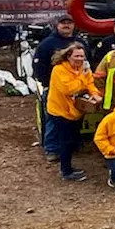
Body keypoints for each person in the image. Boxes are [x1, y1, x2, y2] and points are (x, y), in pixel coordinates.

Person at [34, 13, 87, 163]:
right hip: (56, 91)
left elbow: (88, 66)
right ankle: (51, 149)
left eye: (69, 23)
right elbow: (38, 67)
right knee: (54, 121)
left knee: (75, 120)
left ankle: (73, 146)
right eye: (63, 23)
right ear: (57, 25)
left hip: (78, 90)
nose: (66, 25)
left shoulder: (81, 42)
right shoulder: (47, 44)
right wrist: (48, 85)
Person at [45, 43, 101, 181]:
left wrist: (95, 94)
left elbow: (90, 83)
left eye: (82, 56)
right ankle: (66, 171)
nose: (79, 59)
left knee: (73, 139)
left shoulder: (83, 69)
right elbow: (68, 89)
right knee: (66, 141)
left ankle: (69, 166)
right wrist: (82, 78)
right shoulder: (59, 70)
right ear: (68, 56)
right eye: (76, 56)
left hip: (76, 110)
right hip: (60, 111)